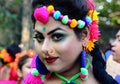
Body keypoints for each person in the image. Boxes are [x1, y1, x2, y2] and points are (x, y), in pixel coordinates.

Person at [24, 0, 118, 84]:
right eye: (39, 37)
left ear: (84, 36)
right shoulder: (33, 81)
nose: (45, 48)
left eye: (57, 36)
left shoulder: (109, 79)